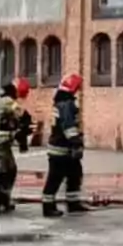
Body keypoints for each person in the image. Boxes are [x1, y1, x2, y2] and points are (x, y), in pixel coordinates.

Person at [41, 72, 87, 217]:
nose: (78, 90)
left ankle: (73, 203)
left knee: (75, 174)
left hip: (63, 147)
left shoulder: (61, 101)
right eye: (77, 87)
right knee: (55, 178)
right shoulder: (66, 104)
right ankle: (48, 206)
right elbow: (68, 126)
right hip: (61, 148)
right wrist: (76, 141)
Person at [0, 77, 31, 213]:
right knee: (5, 172)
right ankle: (1, 201)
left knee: (9, 169)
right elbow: (20, 112)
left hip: (1, 143)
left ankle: (3, 200)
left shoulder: (1, 96)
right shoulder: (7, 100)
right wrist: (25, 122)